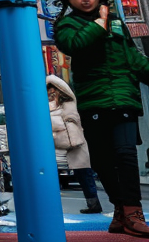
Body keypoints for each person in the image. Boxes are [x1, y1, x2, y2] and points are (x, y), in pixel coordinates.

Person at [53, 0, 149, 239]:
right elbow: (76, 45)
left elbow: (131, 55)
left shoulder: (117, 22)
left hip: (123, 96)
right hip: (93, 100)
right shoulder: (66, 25)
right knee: (102, 159)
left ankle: (133, 213)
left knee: (125, 154)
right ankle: (121, 209)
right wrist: (100, 22)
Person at [49, 74, 103, 214]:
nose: (51, 93)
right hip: (60, 144)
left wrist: (49, 80)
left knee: (84, 174)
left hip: (76, 143)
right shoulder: (50, 105)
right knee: (80, 175)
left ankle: (94, 204)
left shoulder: (69, 101)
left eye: (53, 90)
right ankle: (92, 203)